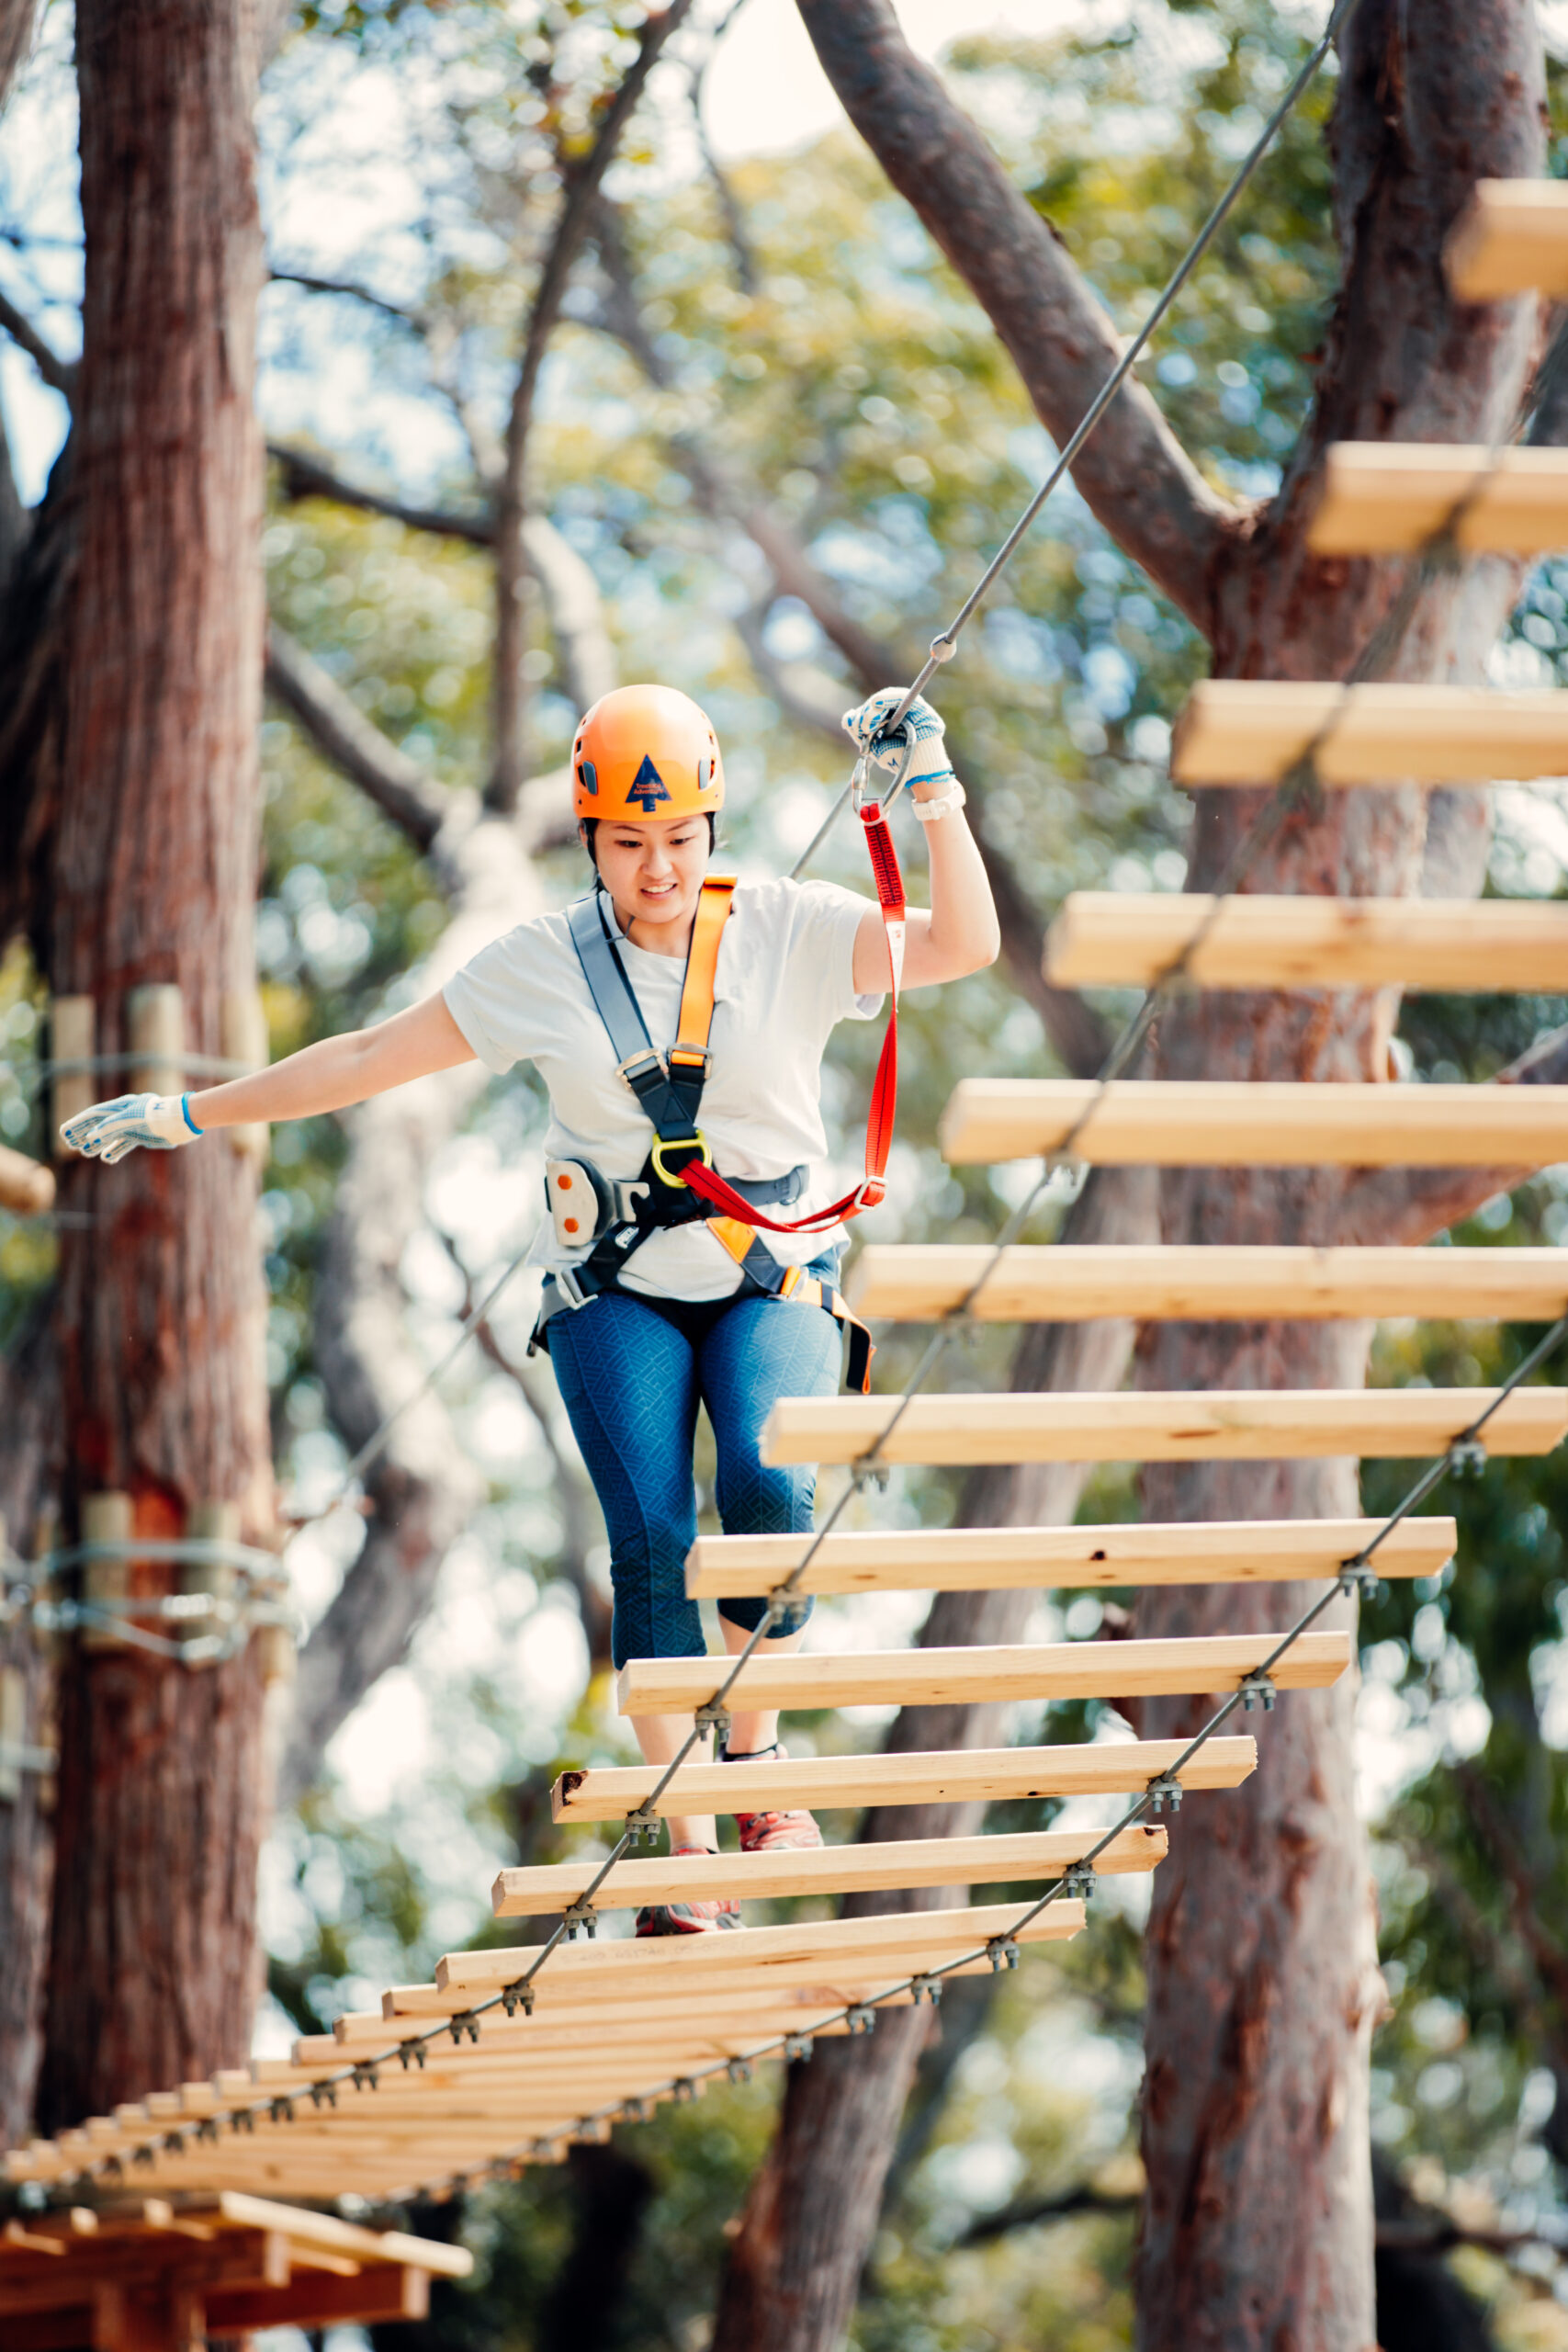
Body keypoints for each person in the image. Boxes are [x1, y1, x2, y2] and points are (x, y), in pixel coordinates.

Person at [62, 682, 1000, 1933]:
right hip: (615, 1293)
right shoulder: (543, 966)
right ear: (590, 839)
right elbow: (363, 1059)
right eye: (628, 843)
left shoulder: (790, 926)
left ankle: (760, 1768)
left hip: (772, 1274)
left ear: (715, 827)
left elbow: (961, 946)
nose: (657, 868)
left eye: (678, 840)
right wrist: (192, 1110)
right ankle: (688, 1846)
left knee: (772, 1483)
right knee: (656, 1538)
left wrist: (930, 784)